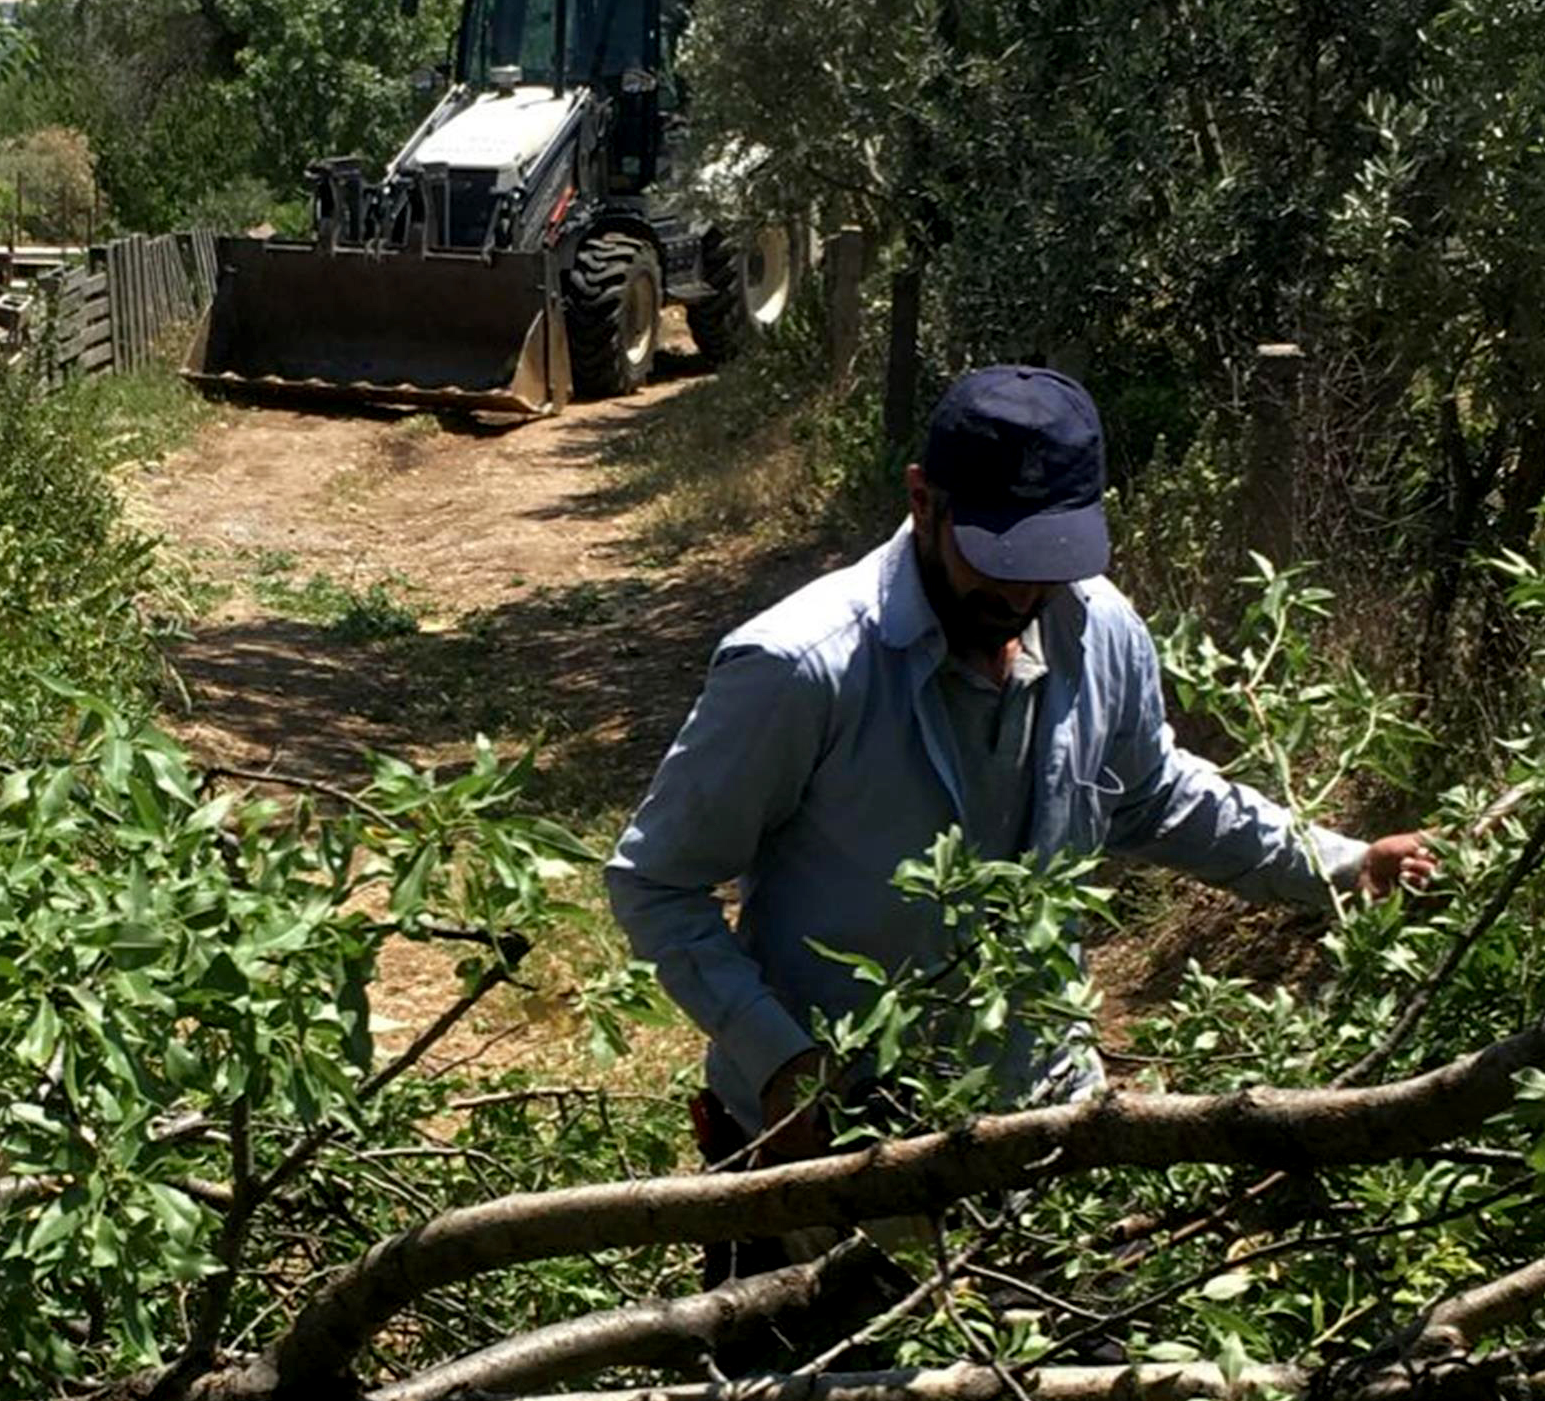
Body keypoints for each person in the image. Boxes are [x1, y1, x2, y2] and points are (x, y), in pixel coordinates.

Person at [607, 365, 1437, 1176]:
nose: (1020, 594)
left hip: (1040, 1116)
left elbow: (1150, 796)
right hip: (830, 1136)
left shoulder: (1098, 627)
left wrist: (1340, 862)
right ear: (922, 500)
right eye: (996, 558)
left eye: (1051, 556)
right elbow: (655, 882)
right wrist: (778, 1061)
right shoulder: (801, 667)